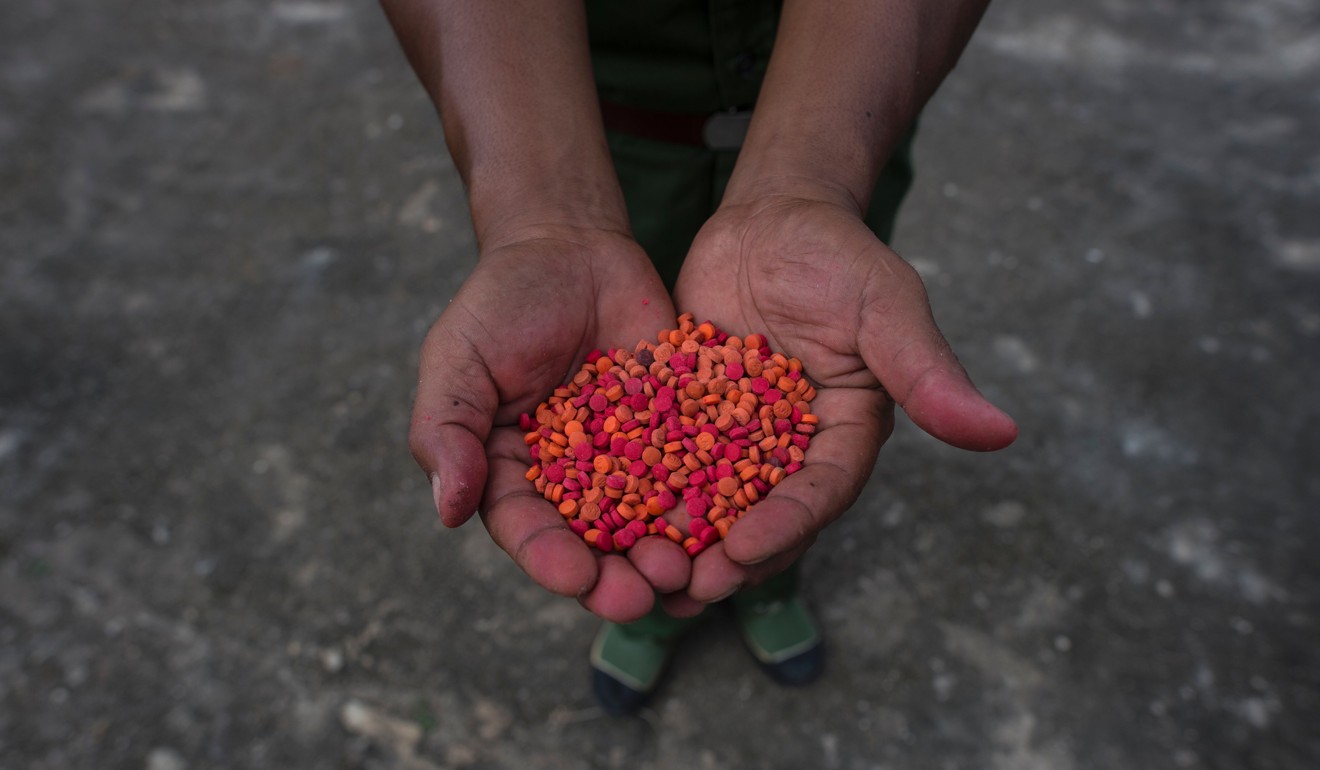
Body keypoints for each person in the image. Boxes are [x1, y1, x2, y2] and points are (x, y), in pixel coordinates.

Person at [382, 0, 1018, 714]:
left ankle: (771, 588)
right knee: (661, 544)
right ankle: (648, 613)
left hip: (853, 110)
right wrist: (539, 217)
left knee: (783, 490)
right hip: (587, 124)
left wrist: (809, 183)